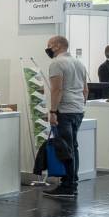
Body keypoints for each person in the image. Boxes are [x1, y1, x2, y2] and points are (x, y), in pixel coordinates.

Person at [43, 35, 89, 198]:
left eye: (49, 45)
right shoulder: (79, 63)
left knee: (65, 148)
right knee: (73, 146)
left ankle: (68, 185)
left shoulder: (56, 63)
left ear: (56, 46)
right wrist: (81, 106)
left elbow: (57, 89)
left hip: (65, 110)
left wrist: (53, 111)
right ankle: (72, 180)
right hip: (78, 109)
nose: (47, 49)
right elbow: (85, 89)